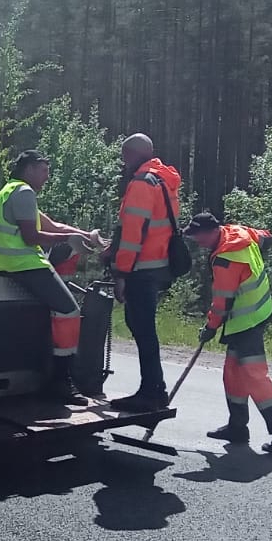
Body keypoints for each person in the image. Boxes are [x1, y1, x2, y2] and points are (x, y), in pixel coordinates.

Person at [0, 149, 105, 406]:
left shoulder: (6, 193)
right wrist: (69, 241)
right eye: (44, 170)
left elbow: (53, 226)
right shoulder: (25, 193)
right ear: (29, 169)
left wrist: (86, 235)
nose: (47, 176)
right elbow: (31, 237)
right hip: (23, 264)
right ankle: (61, 380)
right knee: (69, 311)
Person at [183, 212, 272, 452]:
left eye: (199, 238)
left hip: (248, 320)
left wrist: (210, 328)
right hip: (255, 313)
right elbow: (266, 237)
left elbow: (221, 302)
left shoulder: (226, 259)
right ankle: (237, 427)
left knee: (253, 376)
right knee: (233, 373)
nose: (198, 243)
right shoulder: (238, 232)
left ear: (214, 232)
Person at [106, 133, 182, 412]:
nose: (122, 160)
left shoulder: (141, 183)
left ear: (132, 154)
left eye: (124, 155)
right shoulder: (163, 180)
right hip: (157, 266)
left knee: (142, 329)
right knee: (143, 328)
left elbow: (132, 235)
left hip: (139, 269)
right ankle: (152, 389)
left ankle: (152, 391)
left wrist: (121, 274)